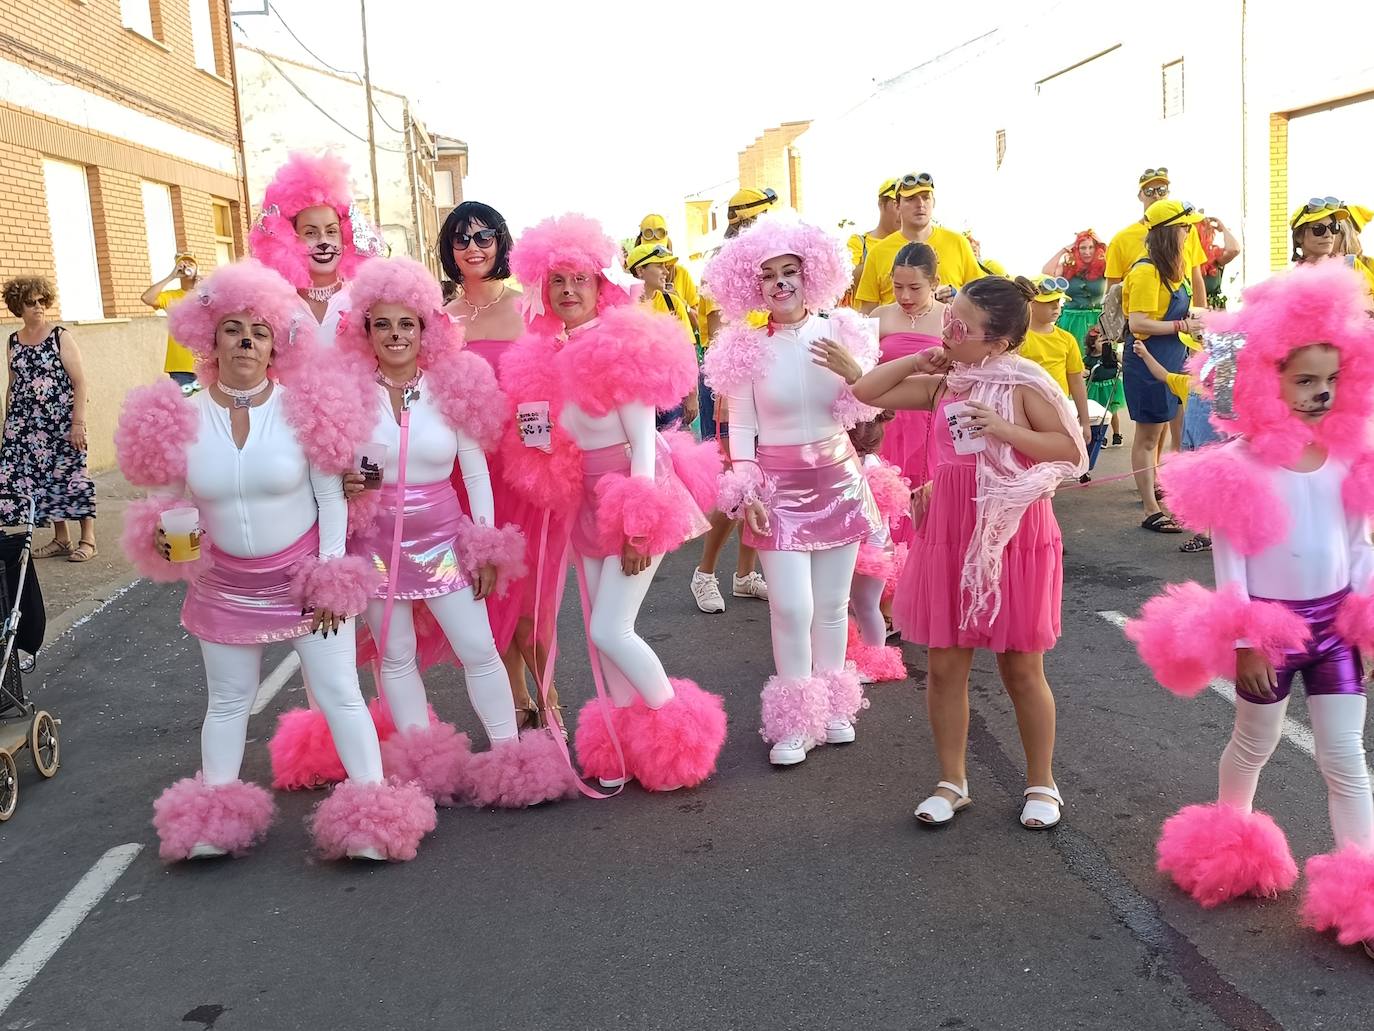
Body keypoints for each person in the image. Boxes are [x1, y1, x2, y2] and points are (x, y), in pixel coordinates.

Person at [114, 259, 435, 862]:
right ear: (210, 340)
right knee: (228, 699)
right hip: (224, 586)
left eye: (258, 332)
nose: (246, 342)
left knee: (340, 693)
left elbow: (331, 498)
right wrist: (160, 532)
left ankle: (373, 818)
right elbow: (174, 501)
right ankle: (212, 823)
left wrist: (329, 575)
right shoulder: (181, 416)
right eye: (233, 330)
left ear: (275, 346)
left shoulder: (302, 408)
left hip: (304, 581)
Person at [1125, 261, 1374, 960]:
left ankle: (1364, 896)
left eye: (1331, 379)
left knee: (1345, 757)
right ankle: (1227, 838)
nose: (1321, 392)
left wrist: (1364, 624)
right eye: (1304, 381)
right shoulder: (1239, 465)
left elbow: (1360, 546)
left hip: (1335, 626)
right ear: (1268, 380)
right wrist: (1243, 640)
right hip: (1267, 629)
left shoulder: (1351, 457)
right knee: (1254, 741)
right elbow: (1230, 563)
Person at [329, 256, 575, 809]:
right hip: (374, 547)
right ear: (366, 331)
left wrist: (483, 545)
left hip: (442, 542)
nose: (396, 335)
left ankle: (511, 759)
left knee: (479, 648)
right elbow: (333, 467)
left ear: (426, 329)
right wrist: (344, 481)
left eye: (407, 324)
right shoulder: (349, 395)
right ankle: (423, 767)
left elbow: (475, 472)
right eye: (383, 324)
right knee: (395, 656)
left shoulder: (452, 387)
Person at [849, 276, 1088, 829]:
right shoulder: (946, 384)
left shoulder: (1025, 383)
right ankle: (951, 782)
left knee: (1020, 666)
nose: (949, 330)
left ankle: (1042, 783)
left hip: (1013, 534)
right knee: (944, 666)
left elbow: (1069, 450)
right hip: (950, 532)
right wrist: (917, 361)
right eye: (948, 318)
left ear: (998, 342)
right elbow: (866, 392)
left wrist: (1004, 428)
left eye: (961, 326)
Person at [501, 213, 727, 792]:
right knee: (602, 642)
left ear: (599, 284)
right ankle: (626, 751)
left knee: (609, 630)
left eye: (579, 278)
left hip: (634, 495)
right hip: (586, 502)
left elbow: (643, 443)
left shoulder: (620, 344)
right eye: (557, 280)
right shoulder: (544, 354)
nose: (568, 290)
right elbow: (547, 438)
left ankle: (678, 736)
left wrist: (637, 524)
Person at [704, 218, 882, 767]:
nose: (780, 283)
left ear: (812, 275)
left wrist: (856, 372)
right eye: (768, 275)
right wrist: (746, 486)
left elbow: (866, 409)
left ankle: (833, 708)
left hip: (838, 480)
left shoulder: (844, 332)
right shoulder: (744, 348)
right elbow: (740, 428)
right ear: (752, 286)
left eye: (790, 271)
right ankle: (795, 721)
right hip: (777, 488)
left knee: (830, 605)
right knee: (790, 606)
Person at [439, 200, 567, 737]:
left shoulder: (528, 309)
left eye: (483, 237)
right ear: (449, 249)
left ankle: (550, 701)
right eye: (461, 239)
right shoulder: (440, 319)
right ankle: (516, 702)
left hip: (522, 470)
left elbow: (553, 386)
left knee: (532, 600)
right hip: (462, 476)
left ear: (500, 242)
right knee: (490, 594)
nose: (473, 248)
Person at [688, 188, 779, 614]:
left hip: (771, 380)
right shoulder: (721, 268)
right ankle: (704, 573)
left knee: (766, 483)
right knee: (734, 488)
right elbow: (719, 335)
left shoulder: (772, 264)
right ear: (743, 222)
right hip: (734, 384)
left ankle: (745, 576)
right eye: (759, 218)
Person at [1121, 199, 1207, 534]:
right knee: (1148, 436)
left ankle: (1172, 494)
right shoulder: (1146, 271)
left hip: (1174, 356)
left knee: (1179, 431)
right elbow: (1138, 322)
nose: (1189, 233)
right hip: (1148, 358)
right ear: (1171, 232)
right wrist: (1182, 326)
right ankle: (1150, 509)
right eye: (1185, 227)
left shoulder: (1175, 268)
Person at [1, 277, 97, 563]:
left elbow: (80, 382)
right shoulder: (13, 340)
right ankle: (61, 539)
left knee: (73, 476)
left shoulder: (59, 336)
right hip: (27, 426)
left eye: (42, 300)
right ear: (18, 306)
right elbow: (12, 384)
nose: (39, 306)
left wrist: (78, 423)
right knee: (44, 480)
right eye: (31, 302)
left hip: (62, 422)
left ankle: (88, 540)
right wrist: (9, 425)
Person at [248, 151, 386, 343]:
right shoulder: (274, 307)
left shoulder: (364, 303)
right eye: (311, 233)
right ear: (289, 240)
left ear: (345, 237)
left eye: (331, 231)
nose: (323, 242)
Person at [869, 242, 945, 536]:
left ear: (934, 282)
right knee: (885, 498)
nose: (905, 296)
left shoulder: (950, 317)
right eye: (898, 286)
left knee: (931, 499)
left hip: (932, 421)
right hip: (887, 421)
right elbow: (862, 370)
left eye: (915, 288)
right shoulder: (880, 315)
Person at [1130, 340, 1221, 553]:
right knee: (1200, 495)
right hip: (1195, 457)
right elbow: (1162, 375)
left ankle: (1217, 537)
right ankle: (1204, 535)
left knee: (1218, 497)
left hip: (1219, 458)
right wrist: (1145, 355)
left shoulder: (1231, 393)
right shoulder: (1189, 384)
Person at [854, 173, 983, 313]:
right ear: (897, 206)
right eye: (911, 199)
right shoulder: (878, 252)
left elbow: (981, 299)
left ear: (934, 202)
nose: (920, 204)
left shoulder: (958, 243)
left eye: (926, 198)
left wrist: (956, 297)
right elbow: (867, 313)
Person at [845, 412, 909, 684]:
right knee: (855, 605)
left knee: (867, 605)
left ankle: (875, 661)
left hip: (872, 552)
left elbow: (879, 522)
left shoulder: (870, 469)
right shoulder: (862, 464)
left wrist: (870, 557)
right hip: (862, 549)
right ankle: (860, 654)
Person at [625, 242, 700, 429]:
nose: (666, 272)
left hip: (671, 396)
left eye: (666, 266)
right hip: (634, 398)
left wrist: (692, 395)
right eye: (659, 266)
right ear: (640, 271)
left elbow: (688, 350)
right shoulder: (622, 306)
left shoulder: (672, 303)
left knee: (672, 444)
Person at [1104, 168, 1208, 302]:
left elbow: (1196, 276)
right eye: (1149, 191)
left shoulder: (1186, 229)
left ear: (1168, 193)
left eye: (1162, 190)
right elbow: (1112, 293)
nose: (1156, 196)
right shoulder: (1120, 240)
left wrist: (1202, 312)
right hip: (1141, 312)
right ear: (1140, 196)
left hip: (1184, 310)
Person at [1020, 276, 1092, 444]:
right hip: (1026, 412)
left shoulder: (1067, 339)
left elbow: (1076, 381)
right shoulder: (1018, 339)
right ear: (1030, 304)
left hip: (1059, 410)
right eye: (1048, 302)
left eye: (1058, 301)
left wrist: (1085, 421)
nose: (1056, 306)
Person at [140, 253, 201, 394]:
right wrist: (171, 276)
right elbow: (147, 298)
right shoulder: (171, 296)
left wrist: (202, 286)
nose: (187, 266)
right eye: (183, 263)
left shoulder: (205, 294)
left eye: (191, 263)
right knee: (186, 405)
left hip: (206, 365)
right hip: (180, 367)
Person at [634, 214, 700, 333]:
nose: (665, 271)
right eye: (654, 261)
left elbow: (697, 325)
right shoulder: (629, 289)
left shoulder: (682, 273)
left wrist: (680, 302)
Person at [1043, 230, 1107, 350]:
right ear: (1077, 249)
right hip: (1071, 319)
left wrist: (1105, 247)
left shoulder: (1104, 267)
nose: (1087, 252)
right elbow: (1046, 274)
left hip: (1097, 320)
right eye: (1083, 248)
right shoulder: (1067, 267)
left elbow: (1119, 267)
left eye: (1091, 247)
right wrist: (1063, 250)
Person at [846, 178, 900, 298]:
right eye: (896, 204)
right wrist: (883, 255)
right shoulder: (859, 242)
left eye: (906, 204)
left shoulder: (914, 244)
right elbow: (847, 280)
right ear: (881, 204)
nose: (902, 211)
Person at [1084, 327, 1125, 448]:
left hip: (1110, 386)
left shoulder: (1111, 355)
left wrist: (1122, 361)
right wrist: (1085, 372)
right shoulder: (1089, 359)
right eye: (1101, 341)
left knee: (1112, 412)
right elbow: (1083, 369)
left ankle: (1117, 434)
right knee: (1099, 413)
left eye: (1106, 341)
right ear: (1093, 344)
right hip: (1095, 388)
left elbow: (1123, 363)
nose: (1105, 344)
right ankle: (1101, 435)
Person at [1196, 214, 1240, 308]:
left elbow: (1234, 249)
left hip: (1213, 311)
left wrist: (1223, 228)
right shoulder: (1183, 255)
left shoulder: (1213, 254)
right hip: (1193, 311)